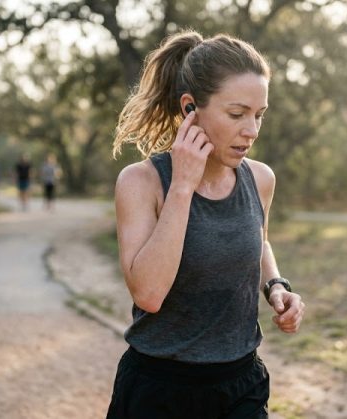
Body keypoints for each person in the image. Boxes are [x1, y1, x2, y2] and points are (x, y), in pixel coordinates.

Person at [107, 30, 305, 419]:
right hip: (158, 391)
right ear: (189, 109)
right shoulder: (140, 183)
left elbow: (259, 240)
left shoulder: (260, 179)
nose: (251, 130)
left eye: (258, 115)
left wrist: (277, 285)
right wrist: (182, 186)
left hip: (240, 384)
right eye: (236, 114)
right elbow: (148, 293)